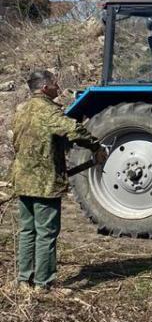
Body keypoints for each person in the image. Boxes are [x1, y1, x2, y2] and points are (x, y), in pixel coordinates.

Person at [11, 69, 104, 293]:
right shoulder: (48, 111)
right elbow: (73, 129)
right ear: (44, 88)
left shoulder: (22, 111)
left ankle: (24, 281)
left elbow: (16, 143)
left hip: (23, 180)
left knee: (27, 231)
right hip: (44, 183)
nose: (58, 88)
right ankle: (43, 284)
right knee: (46, 232)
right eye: (54, 84)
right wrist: (96, 147)